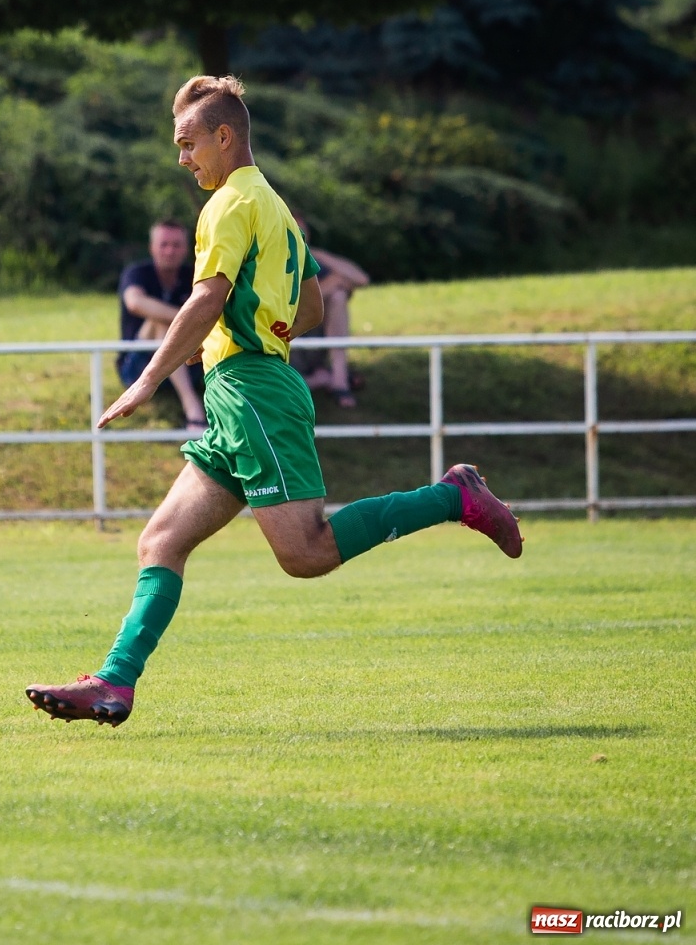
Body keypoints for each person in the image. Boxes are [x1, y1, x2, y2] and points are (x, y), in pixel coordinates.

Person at [26, 74, 523, 727]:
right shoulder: (275, 207)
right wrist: (270, 325)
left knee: (306, 553)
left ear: (223, 136)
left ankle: (455, 494)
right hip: (245, 389)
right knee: (161, 539)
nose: (182, 159)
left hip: (251, 387)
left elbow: (206, 297)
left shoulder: (229, 203)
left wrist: (148, 379)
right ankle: (115, 683)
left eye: (188, 143)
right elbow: (311, 303)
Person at [118, 220, 208, 431]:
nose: (170, 251)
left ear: (186, 249)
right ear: (152, 248)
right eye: (164, 244)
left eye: (176, 245)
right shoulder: (137, 272)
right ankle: (192, 406)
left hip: (187, 364)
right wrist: (186, 318)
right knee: (160, 325)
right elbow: (135, 302)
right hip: (137, 368)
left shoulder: (195, 274)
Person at [289, 213, 370, 409]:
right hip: (284, 344)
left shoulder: (310, 261)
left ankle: (339, 379)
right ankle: (322, 380)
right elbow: (289, 307)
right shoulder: (269, 264)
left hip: (312, 341)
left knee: (338, 296)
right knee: (336, 289)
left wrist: (317, 254)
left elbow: (360, 279)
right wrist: (330, 285)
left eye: (302, 234)